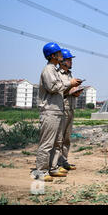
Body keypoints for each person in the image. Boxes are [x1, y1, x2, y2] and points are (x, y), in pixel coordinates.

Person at [33, 42, 81, 182]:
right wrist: (70, 84)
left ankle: (53, 168)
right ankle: (41, 172)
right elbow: (53, 87)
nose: (61, 55)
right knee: (47, 143)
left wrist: (71, 89)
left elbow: (59, 89)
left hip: (57, 111)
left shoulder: (53, 69)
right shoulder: (48, 70)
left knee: (57, 142)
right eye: (59, 53)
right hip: (50, 111)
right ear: (53, 56)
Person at [58, 49, 82, 171]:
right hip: (62, 108)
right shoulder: (58, 74)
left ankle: (64, 161)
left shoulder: (69, 75)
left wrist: (75, 92)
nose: (71, 62)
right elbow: (57, 91)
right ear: (62, 61)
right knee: (59, 137)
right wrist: (70, 87)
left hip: (70, 107)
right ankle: (57, 163)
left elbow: (68, 90)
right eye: (69, 59)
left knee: (67, 137)